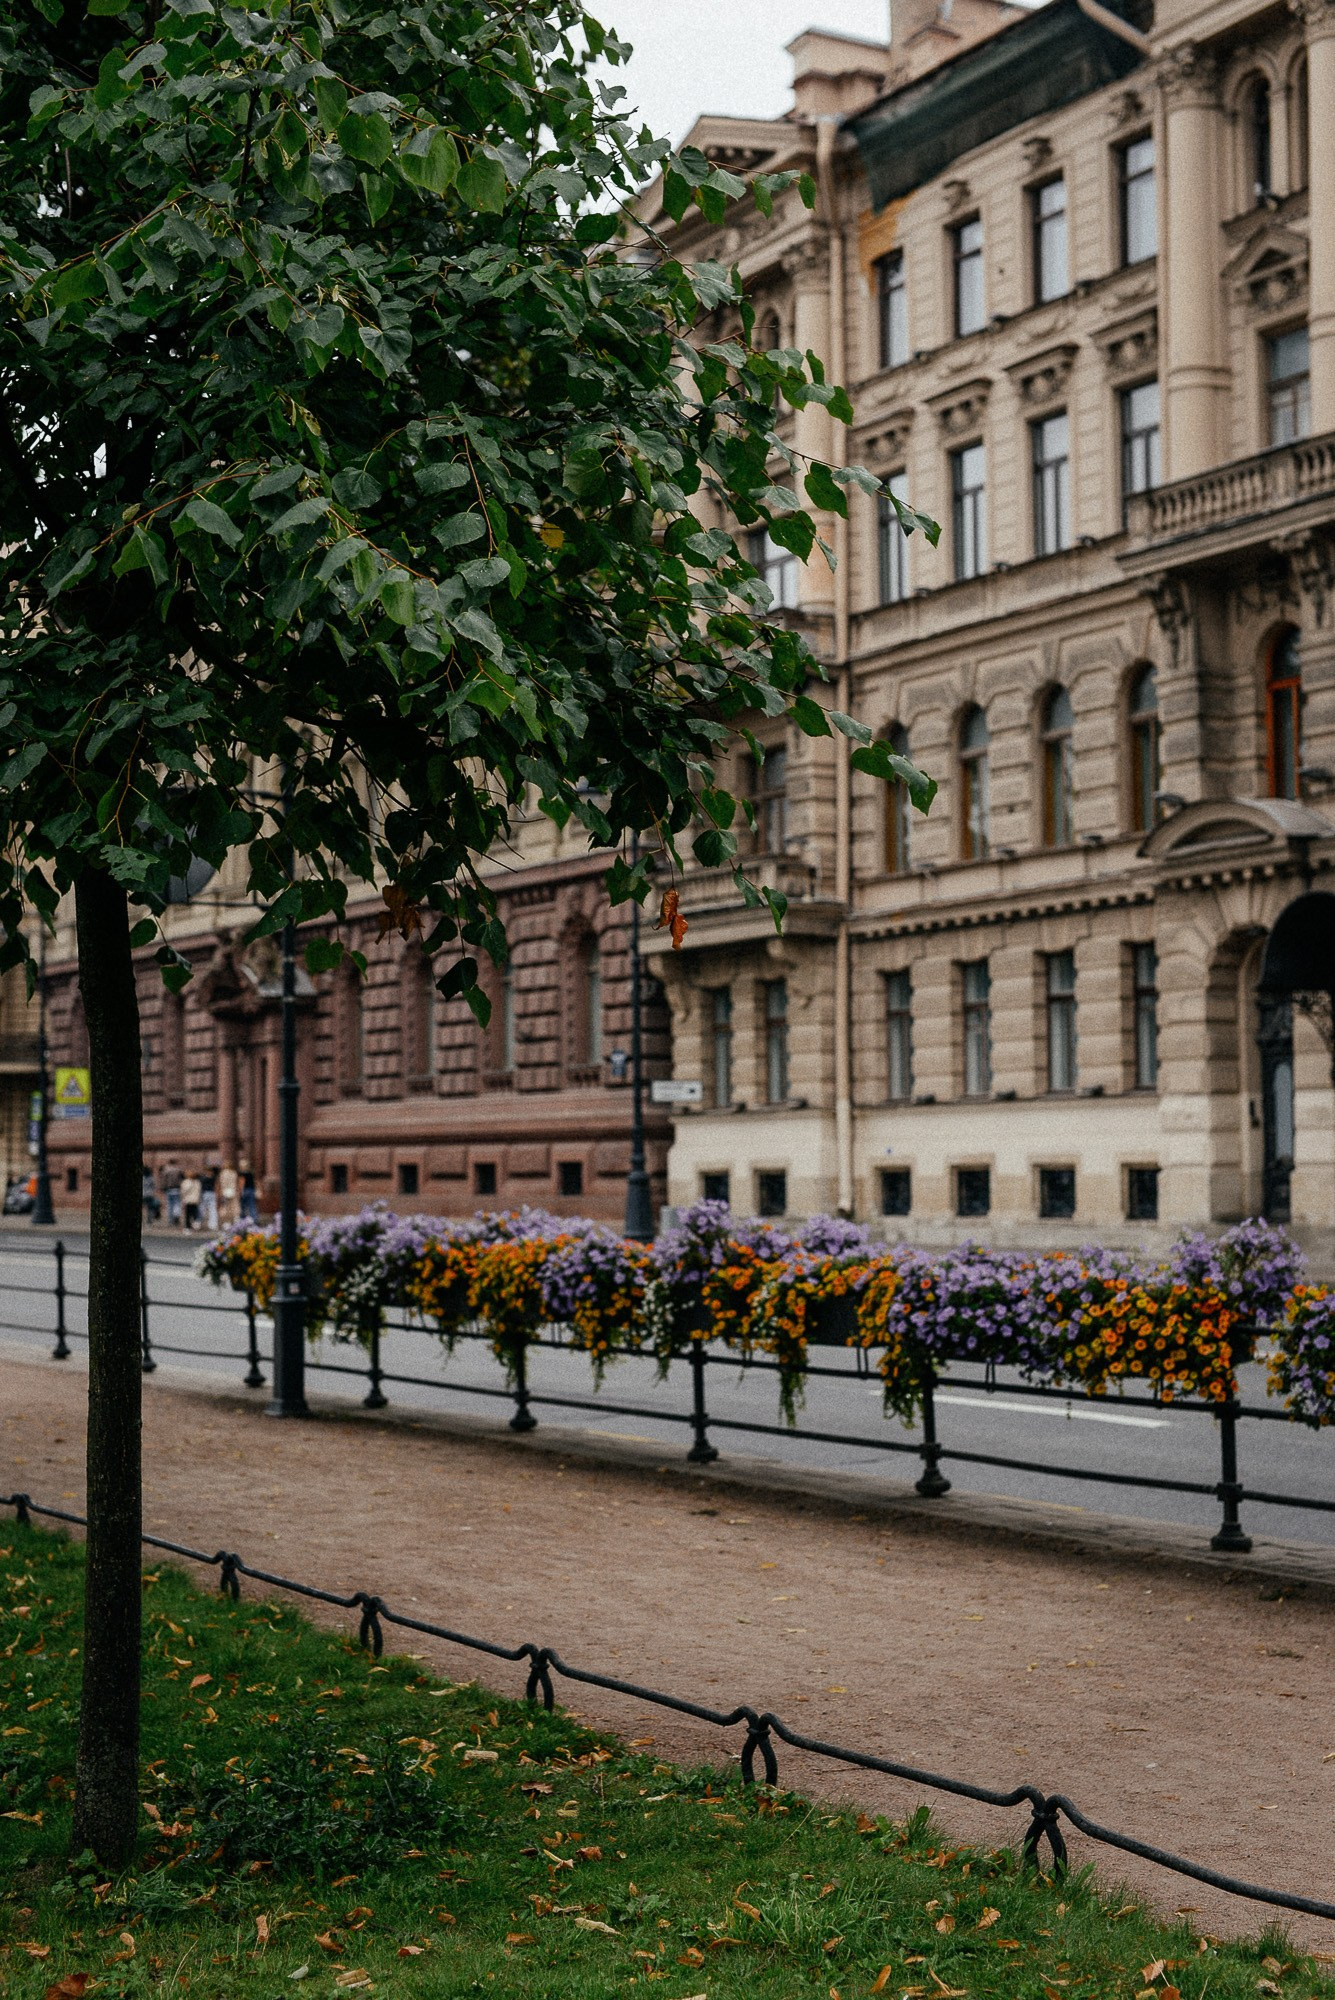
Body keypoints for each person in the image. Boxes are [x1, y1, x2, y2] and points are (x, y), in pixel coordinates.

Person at [160, 1158, 183, 1227]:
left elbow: (164, 1180)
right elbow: (182, 1178)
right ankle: (176, 1217)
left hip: (169, 1189)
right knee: (177, 1204)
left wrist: (162, 1188)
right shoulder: (179, 1170)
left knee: (170, 1205)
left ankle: (170, 1220)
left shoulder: (166, 1170)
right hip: (177, 1189)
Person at [219, 1161, 239, 1226]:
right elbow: (236, 1183)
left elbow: (222, 1183)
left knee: (225, 1207)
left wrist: (221, 1191)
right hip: (233, 1191)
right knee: (234, 1206)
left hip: (225, 1191)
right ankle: (235, 1220)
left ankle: (226, 1222)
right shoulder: (234, 1173)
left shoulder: (223, 1173)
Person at [200, 1163, 218, 1234]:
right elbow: (216, 1186)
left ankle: (200, 1222)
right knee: (212, 1209)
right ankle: (213, 1224)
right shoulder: (214, 1177)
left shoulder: (203, 1178)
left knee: (203, 1209)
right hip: (211, 1193)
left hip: (205, 1193)